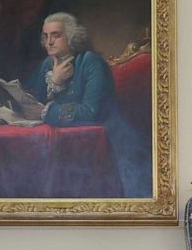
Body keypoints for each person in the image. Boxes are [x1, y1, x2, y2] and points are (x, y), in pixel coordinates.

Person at [26, 12, 152, 198]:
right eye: (46, 36)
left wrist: (47, 112)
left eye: (56, 35)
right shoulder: (46, 65)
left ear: (72, 36)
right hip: (67, 145)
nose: (49, 42)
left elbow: (90, 112)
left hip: (111, 145)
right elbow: (32, 101)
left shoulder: (91, 62)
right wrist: (54, 80)